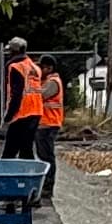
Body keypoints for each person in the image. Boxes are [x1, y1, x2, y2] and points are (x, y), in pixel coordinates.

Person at [35, 62, 64, 201]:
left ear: (50, 68)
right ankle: (45, 186)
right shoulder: (47, 81)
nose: (40, 70)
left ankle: (47, 187)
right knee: (43, 155)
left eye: (43, 67)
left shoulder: (52, 82)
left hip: (49, 123)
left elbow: (40, 96)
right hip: (45, 123)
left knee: (47, 157)